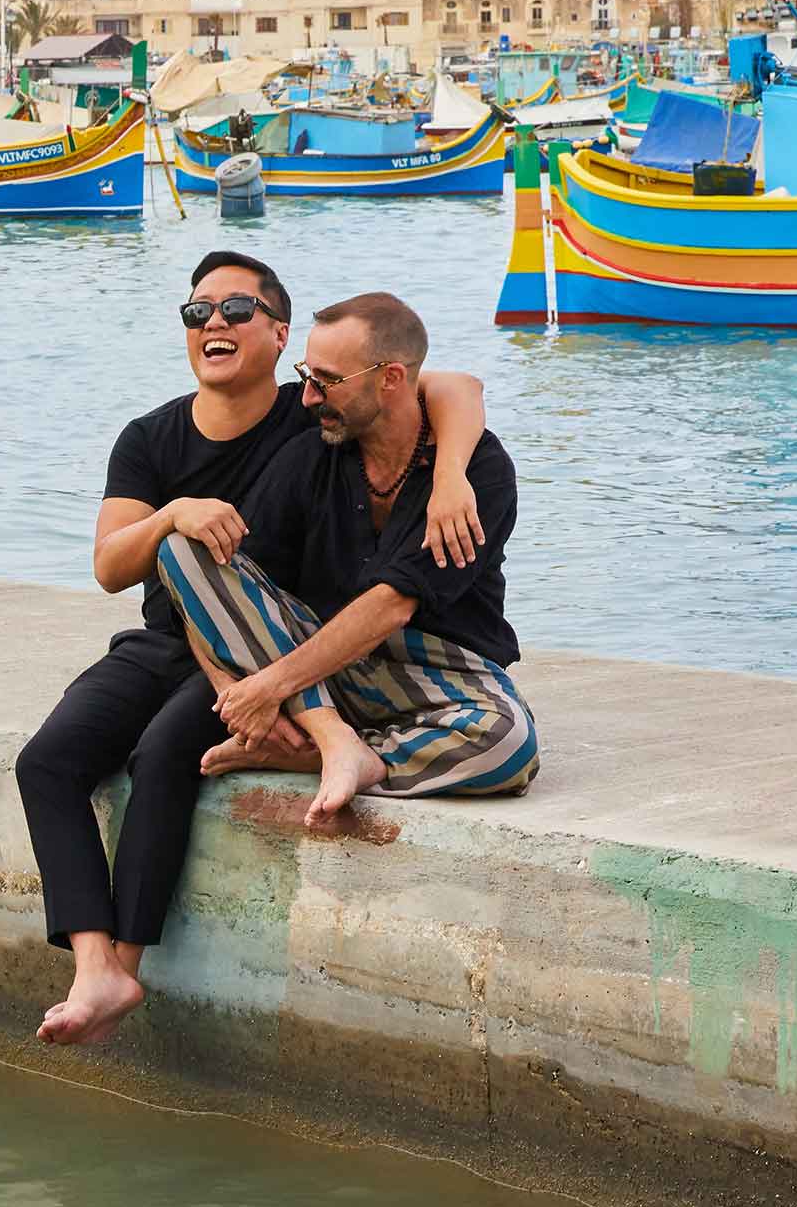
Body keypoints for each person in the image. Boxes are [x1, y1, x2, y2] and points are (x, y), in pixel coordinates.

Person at [18, 252, 486, 1047]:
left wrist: (451, 478)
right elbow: (109, 565)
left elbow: (452, 387)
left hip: (265, 647)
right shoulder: (150, 437)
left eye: (236, 310)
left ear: (279, 334)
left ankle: (126, 964)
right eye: (197, 311)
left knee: (167, 753)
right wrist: (175, 512)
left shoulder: (316, 417)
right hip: (166, 640)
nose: (214, 323)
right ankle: (94, 963)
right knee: (47, 760)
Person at [159, 291, 537, 834]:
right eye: (306, 375)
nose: (309, 396)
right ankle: (333, 736)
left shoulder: (478, 472)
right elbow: (220, 584)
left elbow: (392, 605)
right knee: (184, 546)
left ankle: (340, 755)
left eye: (327, 380)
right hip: (317, 670)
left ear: (391, 379)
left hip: (435, 670)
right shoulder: (310, 455)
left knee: (509, 743)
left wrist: (269, 688)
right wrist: (231, 692)